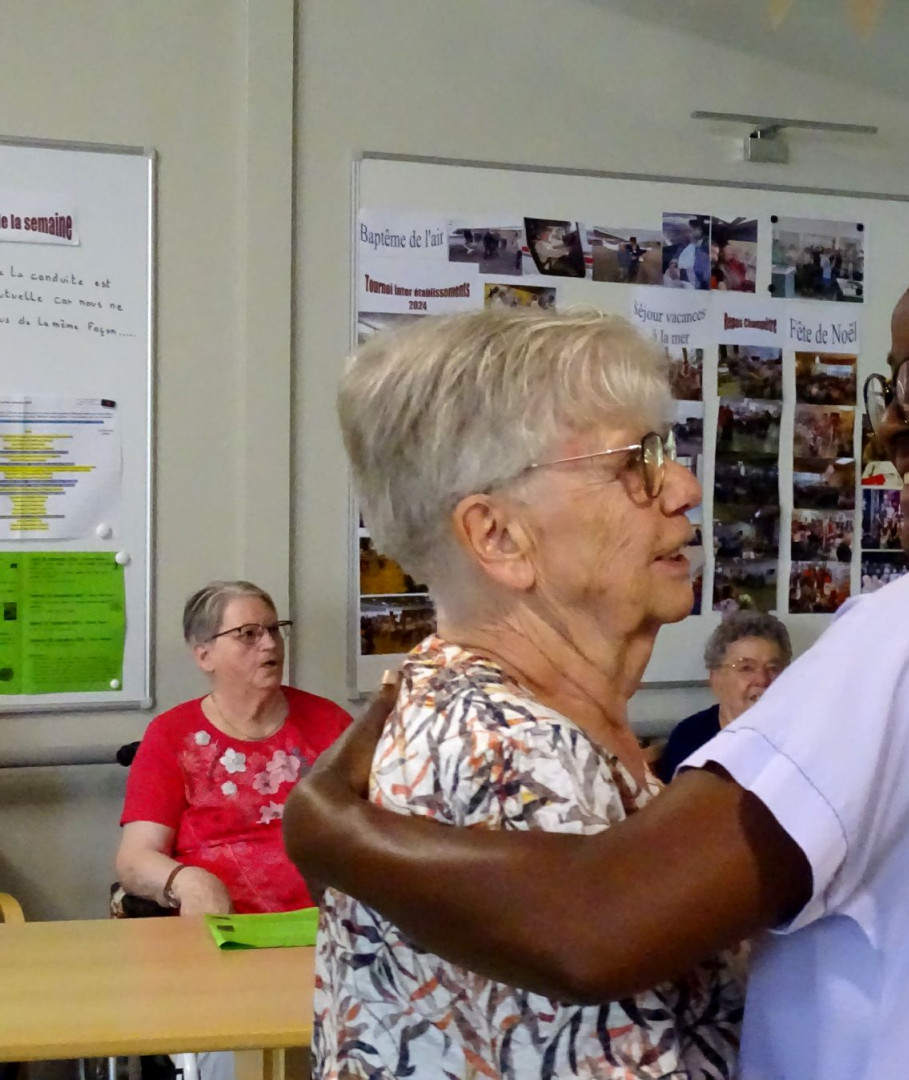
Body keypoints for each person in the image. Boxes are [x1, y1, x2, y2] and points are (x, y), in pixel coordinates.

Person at [285, 213, 909, 1078]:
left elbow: (595, 922)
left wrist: (326, 833)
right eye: (635, 465)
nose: (892, 427)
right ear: (495, 537)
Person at [312, 307, 744, 1078]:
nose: (682, 487)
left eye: (668, 452)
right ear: (499, 537)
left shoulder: (490, 706)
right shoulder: (506, 759)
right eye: (633, 463)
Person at [116, 581, 350, 916]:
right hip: (221, 926)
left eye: (273, 630)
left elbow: (373, 825)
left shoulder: (330, 723)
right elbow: (136, 857)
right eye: (248, 634)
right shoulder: (172, 736)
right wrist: (187, 881)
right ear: (204, 655)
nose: (270, 644)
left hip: (330, 926)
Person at [654, 613, 791, 784]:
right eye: (746, 668)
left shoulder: (796, 736)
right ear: (716, 678)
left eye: (773, 668)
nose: (763, 679)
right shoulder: (691, 738)